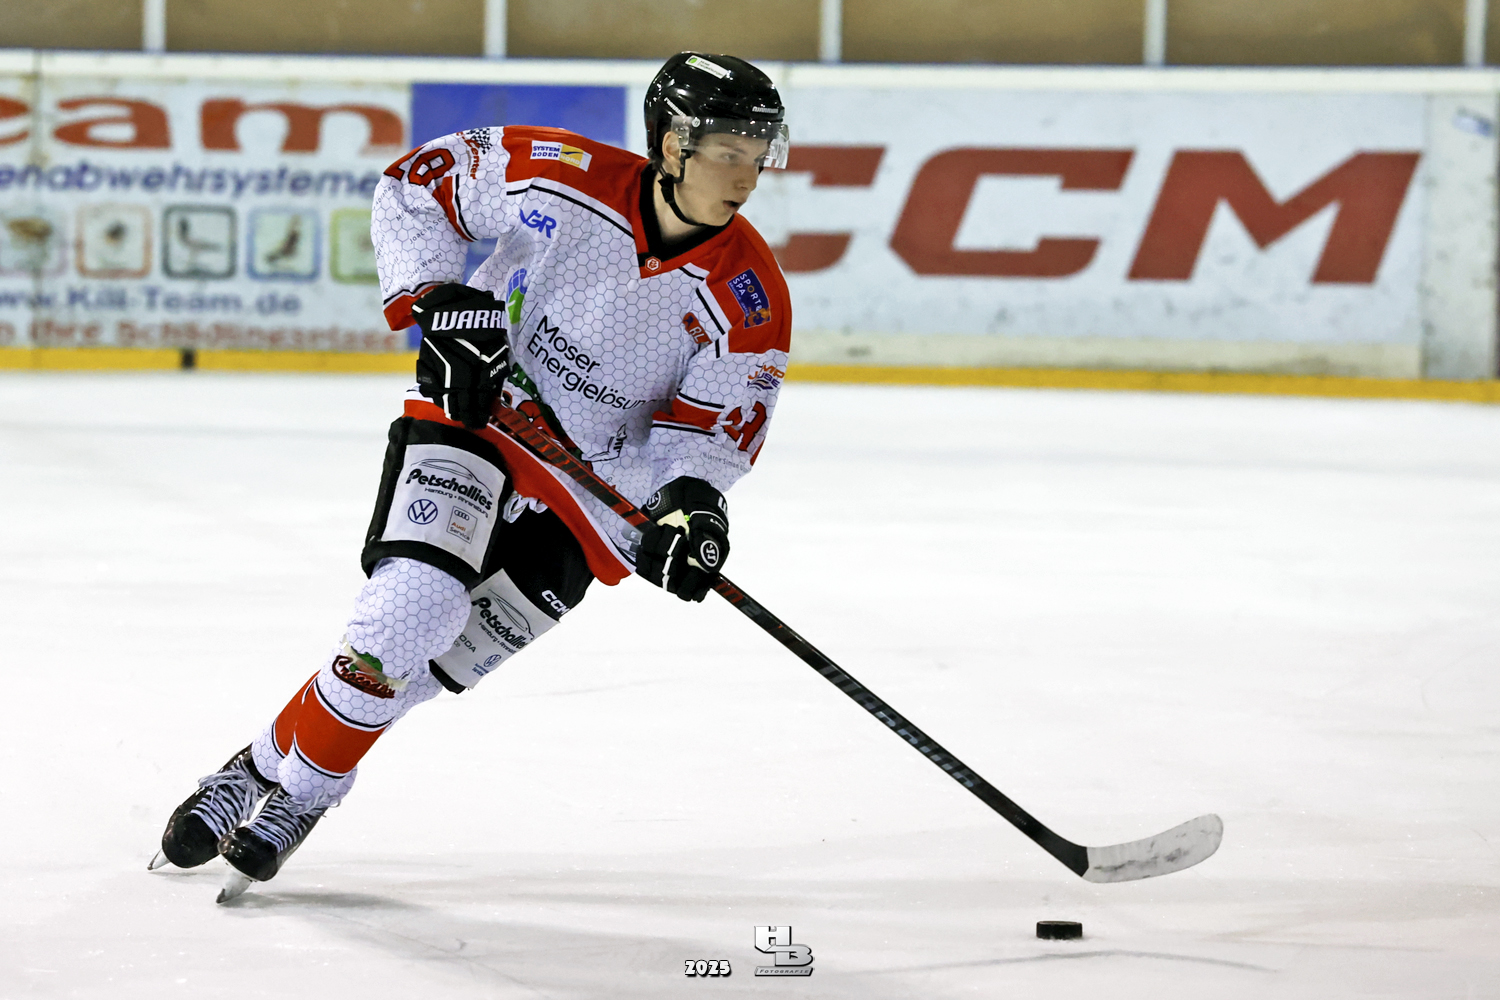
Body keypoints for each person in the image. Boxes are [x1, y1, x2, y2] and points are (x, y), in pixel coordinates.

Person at [152, 52, 793, 897]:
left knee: (424, 667)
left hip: (592, 501)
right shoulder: (559, 173)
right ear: (672, 144)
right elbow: (416, 186)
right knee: (405, 614)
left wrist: (690, 505)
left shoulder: (751, 294)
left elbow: (711, 435)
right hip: (479, 418)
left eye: (759, 155)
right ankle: (304, 794)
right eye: (729, 152)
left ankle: (260, 762)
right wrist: (437, 298)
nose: (747, 176)